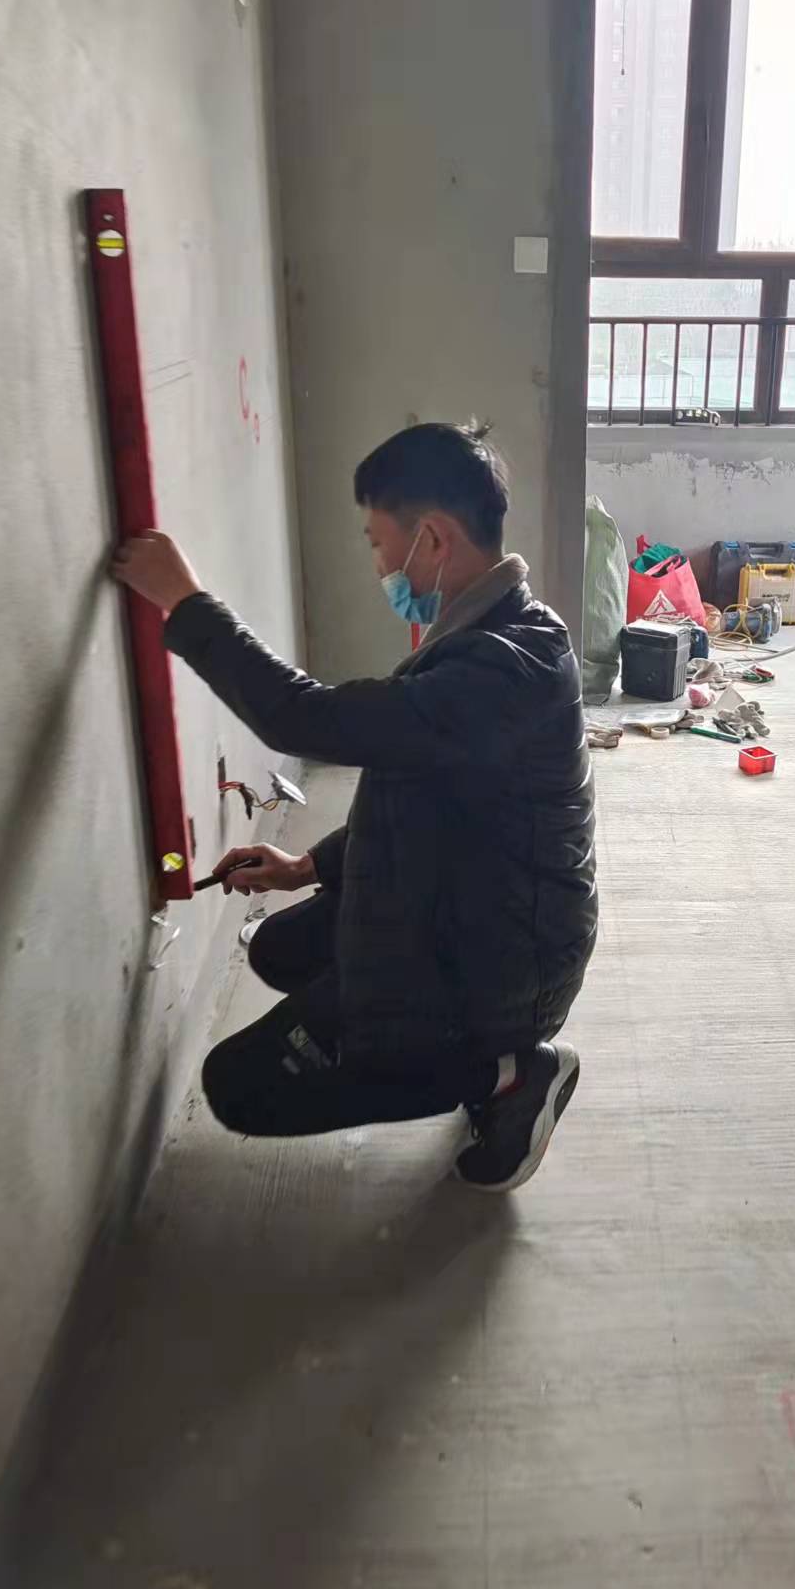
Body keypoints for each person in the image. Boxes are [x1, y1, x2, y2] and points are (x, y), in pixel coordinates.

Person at [112, 422, 597, 1191]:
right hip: (475, 907)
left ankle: (507, 1072)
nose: (377, 564)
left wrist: (185, 603)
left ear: (431, 538)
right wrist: (305, 865)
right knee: (279, 949)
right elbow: (420, 799)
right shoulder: (488, 631)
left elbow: (308, 720)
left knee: (240, 1087)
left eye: (378, 542)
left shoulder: (505, 670)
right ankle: (447, 1046)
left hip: (507, 961)